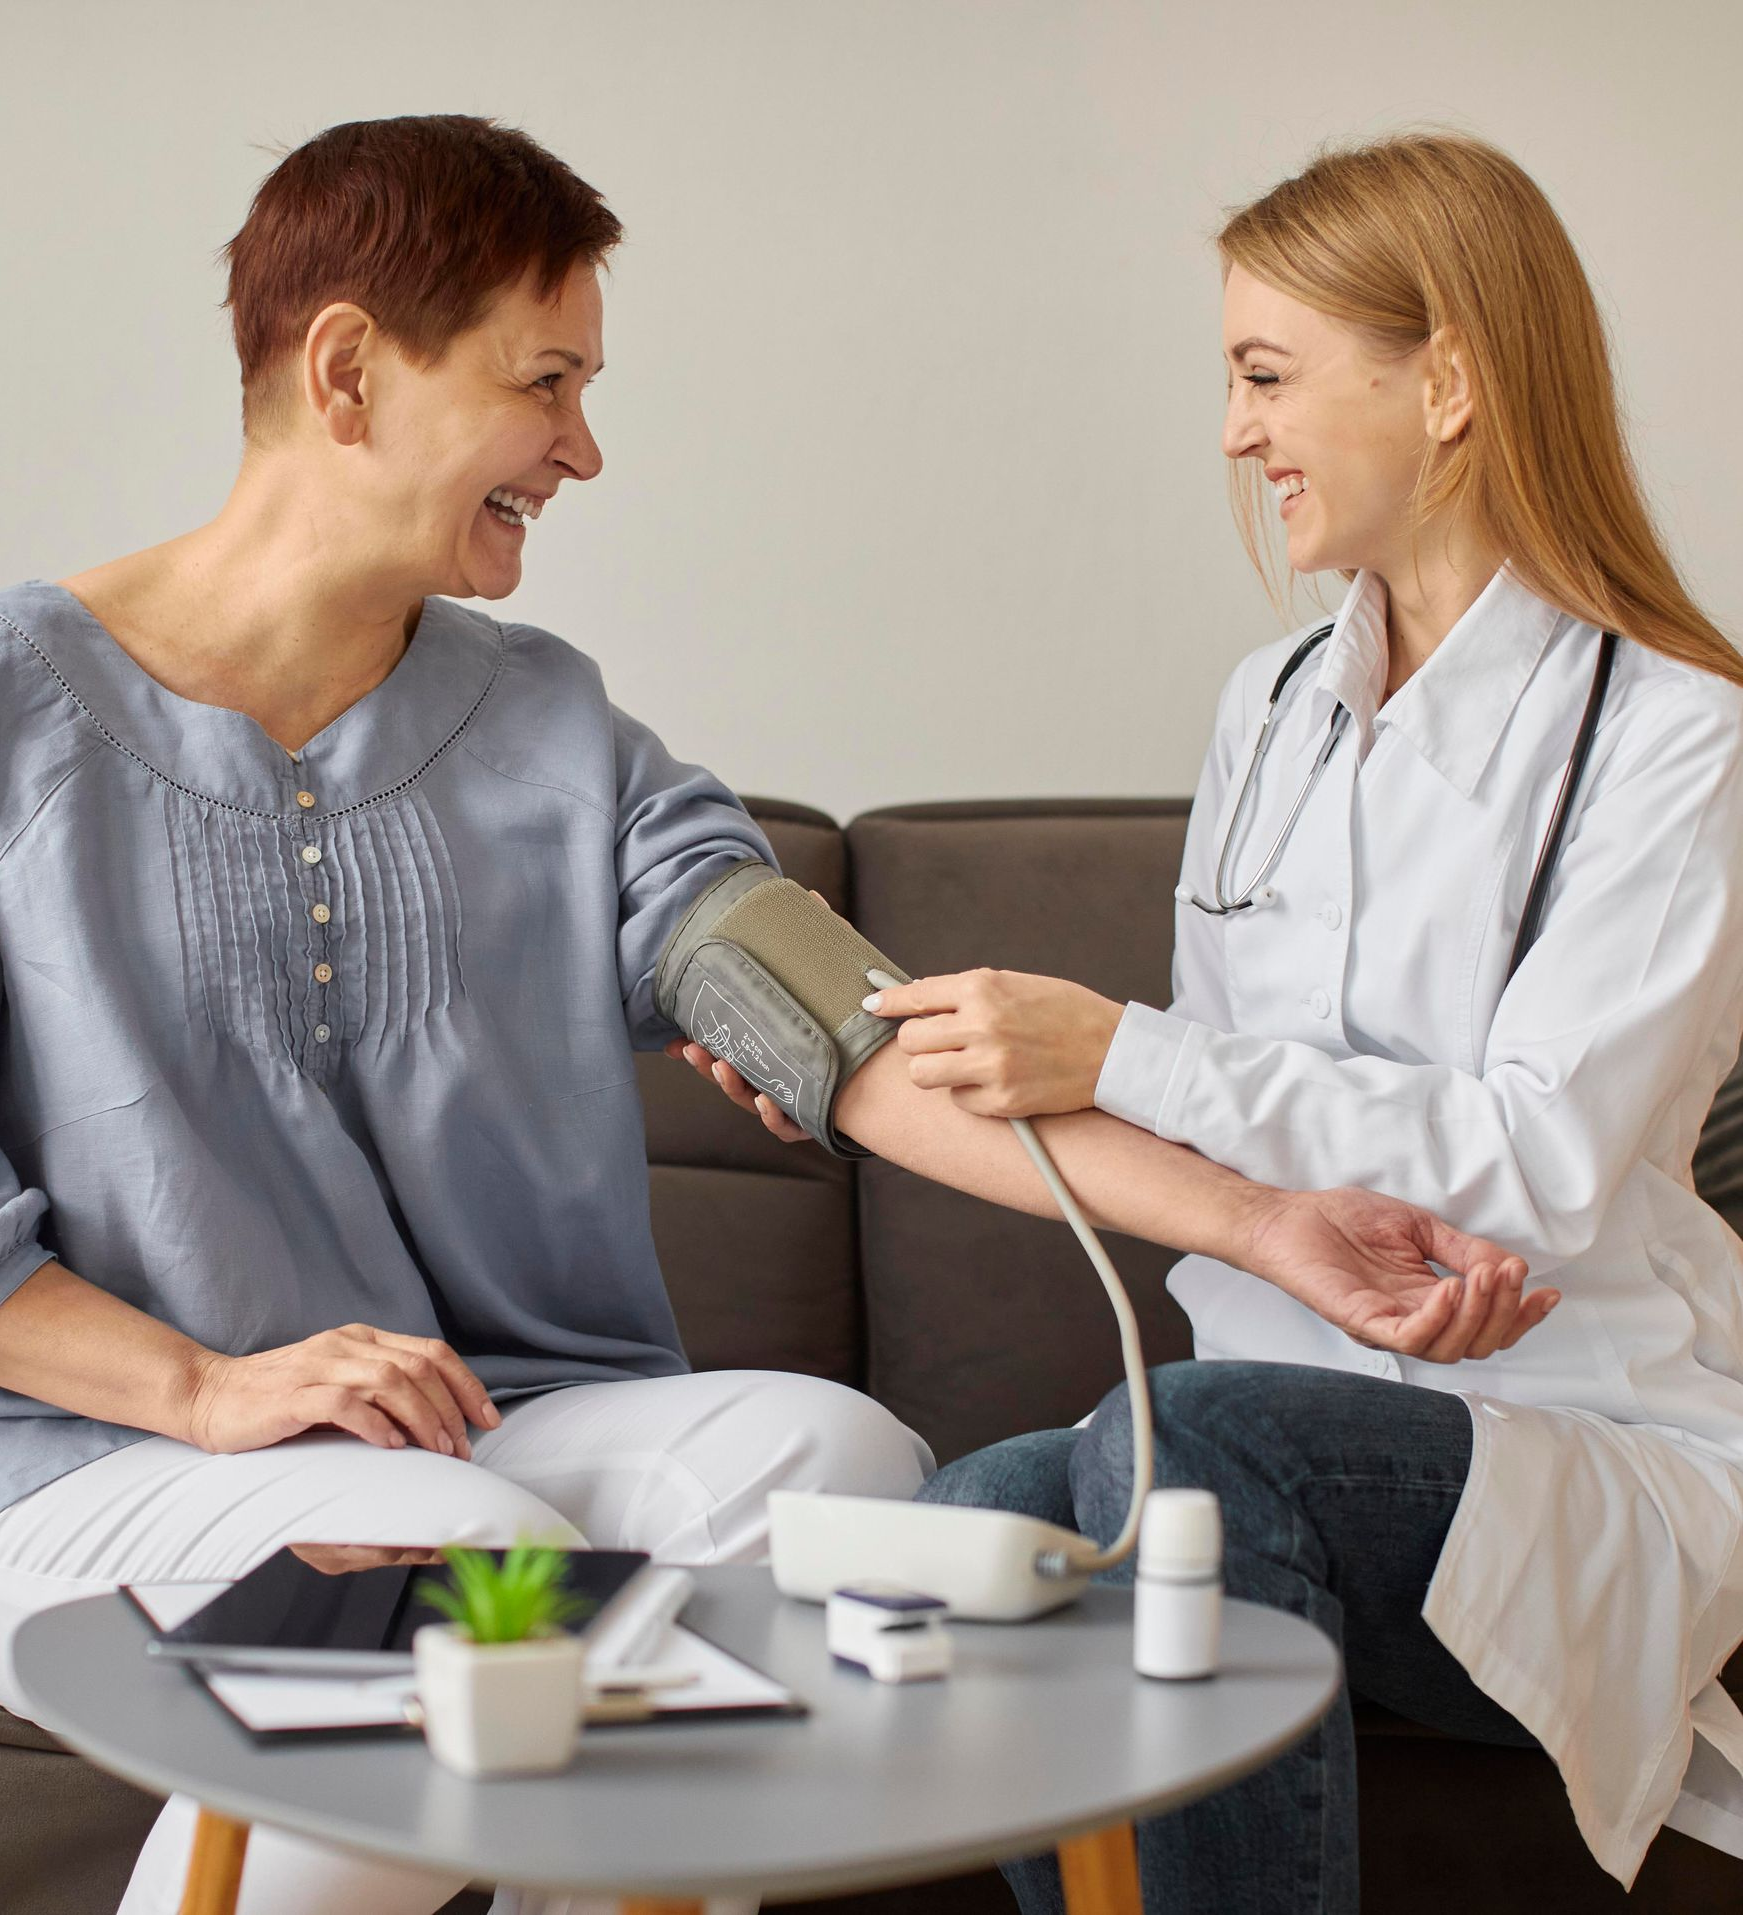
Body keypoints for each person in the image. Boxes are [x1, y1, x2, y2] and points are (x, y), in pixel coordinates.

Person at [0, 116, 1543, 1915]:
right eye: (545, 380)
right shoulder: (21, 718)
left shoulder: (555, 736)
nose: (583, 445)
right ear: (349, 371)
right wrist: (210, 1386)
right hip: (104, 1452)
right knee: (465, 1569)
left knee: (838, 1470)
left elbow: (859, 1032)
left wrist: (1268, 1219)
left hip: (483, 1416)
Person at [819, 132, 1743, 1909]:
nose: (1234, 434)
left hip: (1570, 1438)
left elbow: (1541, 1161)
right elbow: (1207, 1131)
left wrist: (1122, 1049)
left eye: (1265, 376)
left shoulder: (1673, 728)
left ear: (1450, 378)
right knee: (972, 1519)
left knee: (1195, 1452)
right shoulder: (1271, 708)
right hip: (1285, 1410)